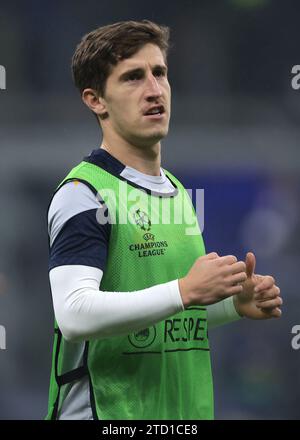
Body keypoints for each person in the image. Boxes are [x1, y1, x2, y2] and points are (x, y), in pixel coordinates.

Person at [45, 20, 282, 420]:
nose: (154, 90)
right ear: (95, 100)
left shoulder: (176, 191)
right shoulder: (84, 193)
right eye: (133, 77)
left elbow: (164, 319)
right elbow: (74, 314)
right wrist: (186, 290)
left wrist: (231, 305)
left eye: (160, 73)